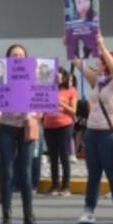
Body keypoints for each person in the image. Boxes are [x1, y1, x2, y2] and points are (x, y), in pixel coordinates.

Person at [76, 34, 113, 224]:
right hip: (91, 132)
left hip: (110, 133)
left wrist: (102, 46)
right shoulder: (99, 82)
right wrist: (71, 46)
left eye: (100, 62)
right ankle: (88, 210)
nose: (97, 64)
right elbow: (80, 66)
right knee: (93, 174)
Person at [0, 44, 41, 224]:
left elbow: (41, 103)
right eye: (14, 55)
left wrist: (33, 115)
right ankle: (7, 217)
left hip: (26, 128)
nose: (18, 58)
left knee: (26, 173)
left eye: (21, 55)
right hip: (6, 127)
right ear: (8, 59)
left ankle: (29, 217)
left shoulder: (34, 77)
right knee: (6, 172)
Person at [44, 67, 77, 197]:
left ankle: (66, 186)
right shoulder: (45, 90)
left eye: (59, 76)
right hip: (48, 126)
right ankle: (55, 185)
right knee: (53, 156)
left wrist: (61, 104)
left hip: (65, 125)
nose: (57, 78)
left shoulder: (71, 90)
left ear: (63, 77)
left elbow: (74, 111)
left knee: (64, 155)